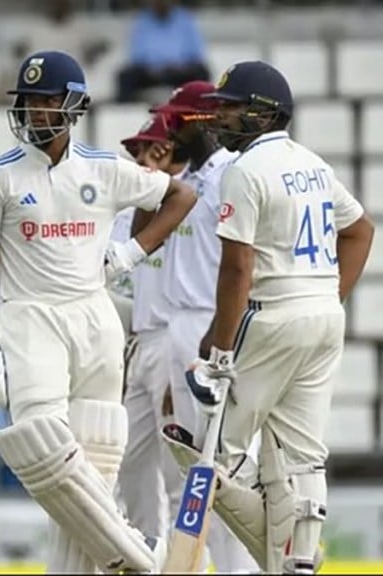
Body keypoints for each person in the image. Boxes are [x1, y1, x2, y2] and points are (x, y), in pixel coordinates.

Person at [0, 50, 196, 573]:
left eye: (46, 100)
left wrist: (131, 253)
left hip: (94, 317)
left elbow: (181, 195)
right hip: (30, 317)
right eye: (28, 101)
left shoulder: (105, 169)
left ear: (73, 106)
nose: (34, 111)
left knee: (97, 460)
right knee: (42, 449)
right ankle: (140, 558)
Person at [165, 61, 374, 574]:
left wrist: (218, 352)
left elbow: (237, 269)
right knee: (302, 457)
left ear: (263, 114)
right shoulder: (315, 164)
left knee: (220, 455)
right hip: (324, 318)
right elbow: (361, 230)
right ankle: (298, 559)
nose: (222, 118)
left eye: (232, 108)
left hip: (271, 315)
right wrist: (329, 296)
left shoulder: (245, 171)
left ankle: (266, 558)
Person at [145, 80, 262, 573]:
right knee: (192, 471)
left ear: (203, 121)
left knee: (226, 467)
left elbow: (241, 264)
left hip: (215, 325)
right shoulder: (187, 181)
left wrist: (215, 341)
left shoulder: (234, 174)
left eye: (178, 119)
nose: (169, 127)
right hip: (180, 325)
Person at [114, 112, 187, 545]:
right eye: (133, 150)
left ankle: (185, 566)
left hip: (174, 336)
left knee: (178, 469)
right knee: (129, 461)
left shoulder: (193, 199)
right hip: (140, 342)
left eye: (147, 148)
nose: (138, 156)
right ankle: (148, 554)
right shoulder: (131, 214)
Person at [116, 0, 210, 103]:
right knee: (125, 76)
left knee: (202, 72)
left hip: (179, 72)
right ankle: (125, 113)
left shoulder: (185, 19)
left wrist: (179, 66)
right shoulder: (142, 20)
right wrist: (153, 68)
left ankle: (203, 107)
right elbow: (136, 55)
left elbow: (196, 53)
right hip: (150, 74)